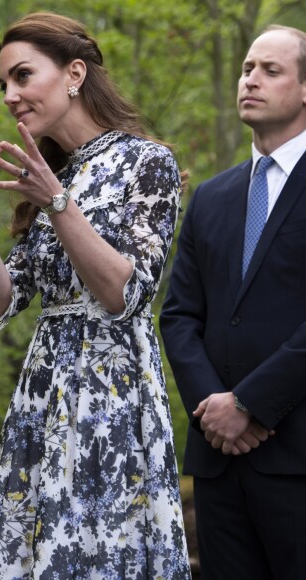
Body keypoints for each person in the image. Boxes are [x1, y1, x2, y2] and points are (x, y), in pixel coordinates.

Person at [0, 12, 190, 579]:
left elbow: (123, 292)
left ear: (75, 73)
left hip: (111, 402)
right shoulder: (51, 175)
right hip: (42, 395)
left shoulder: (147, 163)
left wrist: (58, 203)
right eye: (3, 84)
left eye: (22, 76)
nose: (10, 95)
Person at [160, 24, 306, 580]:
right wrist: (215, 410)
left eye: (271, 70)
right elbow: (179, 315)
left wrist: (250, 403)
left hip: (296, 456)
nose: (251, 79)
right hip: (218, 463)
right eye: (247, 68)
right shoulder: (212, 196)